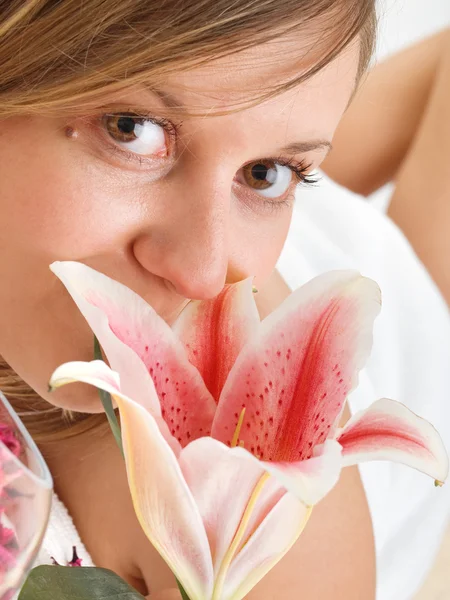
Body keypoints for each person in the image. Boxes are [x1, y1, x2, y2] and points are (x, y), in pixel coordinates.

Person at [0, 1, 448, 599]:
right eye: (131, 129)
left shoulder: (252, 514)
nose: (205, 276)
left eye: (274, 171)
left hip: (401, 340)